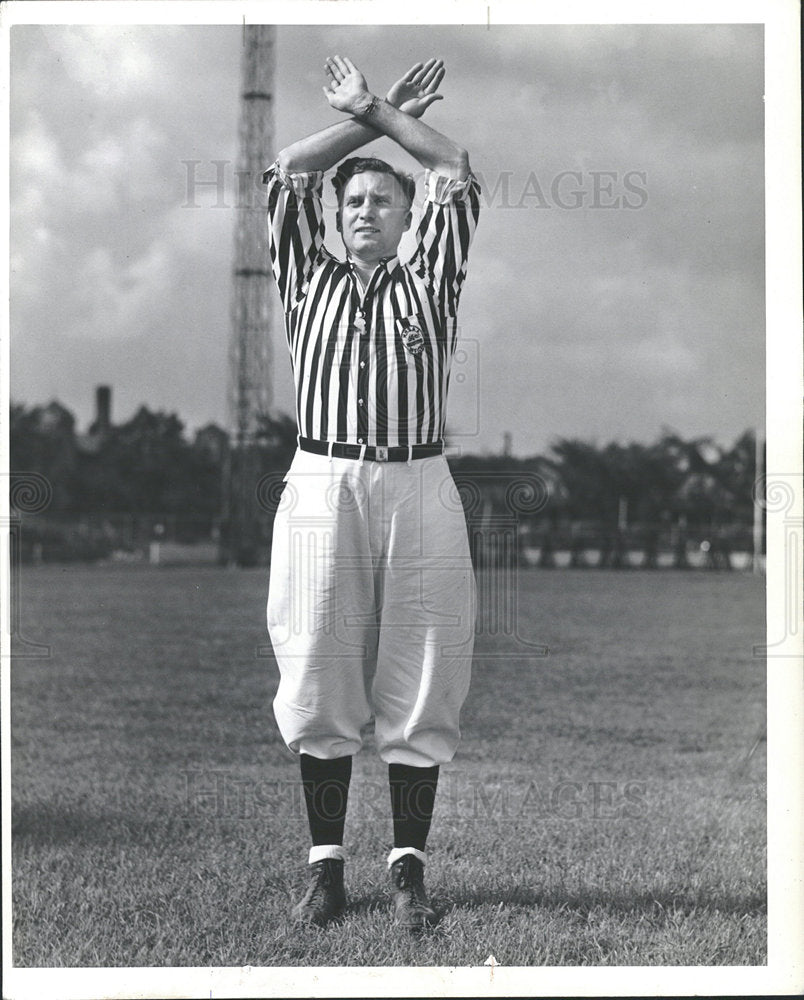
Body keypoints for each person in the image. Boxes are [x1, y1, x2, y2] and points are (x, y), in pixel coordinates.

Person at [263, 55, 480, 932]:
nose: (364, 211)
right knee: (316, 662)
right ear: (336, 216)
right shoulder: (304, 277)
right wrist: (365, 116)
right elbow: (285, 172)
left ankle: (408, 871)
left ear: (405, 217)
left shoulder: (432, 276)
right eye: (352, 201)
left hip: (419, 478)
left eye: (382, 201)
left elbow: (455, 172)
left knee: (422, 671)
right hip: (323, 478)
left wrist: (389, 117)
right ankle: (325, 871)